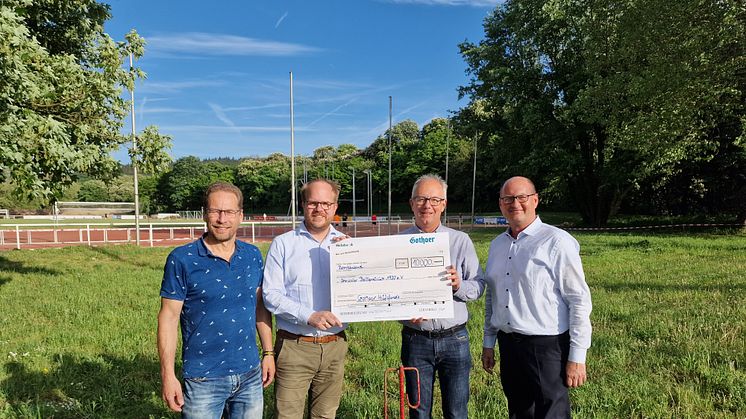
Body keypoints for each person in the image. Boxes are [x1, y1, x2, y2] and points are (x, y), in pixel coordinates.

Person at [157, 181, 275, 418]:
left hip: (250, 374)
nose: (222, 219)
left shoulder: (252, 255)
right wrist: (167, 376)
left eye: (229, 212)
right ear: (205, 214)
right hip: (203, 378)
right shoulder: (182, 259)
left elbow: (260, 307)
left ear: (240, 215)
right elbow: (168, 318)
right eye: (215, 211)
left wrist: (268, 353)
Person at [482, 176, 592, 418]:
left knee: (551, 412)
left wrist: (577, 356)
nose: (515, 204)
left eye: (521, 197)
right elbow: (493, 296)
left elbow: (579, 300)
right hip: (509, 345)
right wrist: (488, 342)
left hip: (547, 346)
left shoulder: (557, 241)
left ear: (535, 200)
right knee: (519, 411)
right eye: (507, 198)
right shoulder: (496, 245)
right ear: (500, 204)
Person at [400, 174, 485, 419]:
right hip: (415, 339)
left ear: (444, 204)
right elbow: (388, 294)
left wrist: (459, 286)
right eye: (422, 199)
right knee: (418, 412)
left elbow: (479, 287)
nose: (428, 205)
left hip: (455, 338)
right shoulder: (395, 243)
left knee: (457, 412)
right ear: (412, 203)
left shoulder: (460, 241)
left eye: (435, 199)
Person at [262, 179, 348, 419]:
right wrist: (309, 316)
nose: (319, 209)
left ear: (335, 206)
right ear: (303, 204)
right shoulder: (283, 244)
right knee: (288, 415)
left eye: (326, 203)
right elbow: (270, 295)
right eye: (313, 203)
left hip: (335, 345)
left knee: (326, 415)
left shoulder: (348, 245)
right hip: (294, 346)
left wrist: (354, 262)